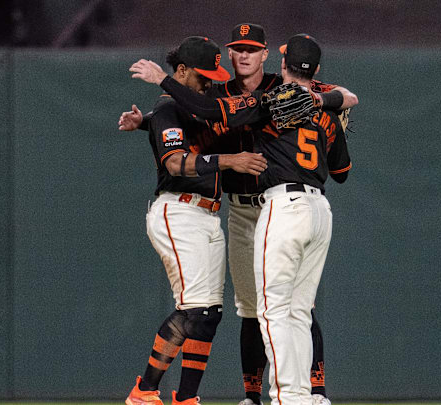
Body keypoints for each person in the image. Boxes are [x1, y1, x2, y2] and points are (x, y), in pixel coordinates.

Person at [120, 23, 356, 405]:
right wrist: (149, 121)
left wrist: (327, 100)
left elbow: (347, 96)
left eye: (252, 49)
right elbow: (195, 114)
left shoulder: (271, 93)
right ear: (230, 54)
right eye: (238, 49)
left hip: (275, 206)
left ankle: (304, 394)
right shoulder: (232, 92)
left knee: (272, 309)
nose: (244, 55)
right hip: (265, 208)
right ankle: (257, 396)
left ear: (271, 55)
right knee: (257, 308)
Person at [124, 36, 268, 405]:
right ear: (182, 70)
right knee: (194, 307)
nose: (208, 82)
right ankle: (145, 391)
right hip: (178, 209)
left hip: (207, 214)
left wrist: (144, 123)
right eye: (202, 75)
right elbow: (175, 163)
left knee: (210, 313)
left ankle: (186, 398)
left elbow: (202, 117)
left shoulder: (189, 106)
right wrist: (229, 161)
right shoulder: (169, 107)